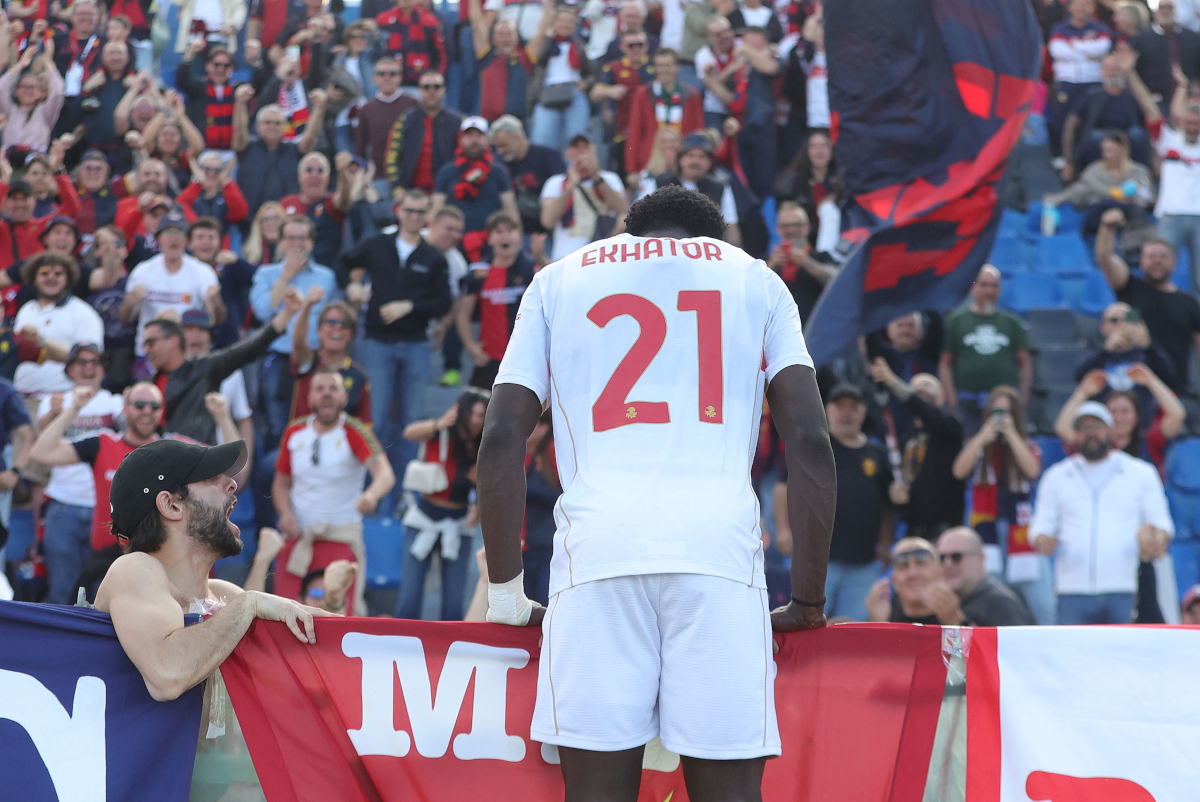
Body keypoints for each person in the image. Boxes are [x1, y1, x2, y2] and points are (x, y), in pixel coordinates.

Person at [476, 184, 835, 802]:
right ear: (712, 242)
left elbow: (502, 437)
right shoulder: (755, 279)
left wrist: (507, 591)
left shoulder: (557, 280)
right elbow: (809, 444)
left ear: (628, 232)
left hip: (596, 555)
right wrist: (806, 599)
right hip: (718, 557)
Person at [93, 437, 331, 702]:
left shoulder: (223, 594)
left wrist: (333, 601)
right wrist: (248, 604)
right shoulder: (133, 569)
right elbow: (167, 674)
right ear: (171, 505)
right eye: (210, 477)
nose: (232, 483)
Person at [339, 188, 451, 515]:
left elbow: (444, 302)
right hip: (378, 342)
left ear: (427, 215)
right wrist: (352, 286)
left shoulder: (433, 257)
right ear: (398, 211)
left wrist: (411, 306)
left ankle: (405, 497)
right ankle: (371, 494)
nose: (414, 217)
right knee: (375, 423)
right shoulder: (378, 245)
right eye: (410, 210)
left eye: (421, 212)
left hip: (415, 343)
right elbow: (344, 262)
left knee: (410, 423)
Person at [1030, 401, 1174, 625]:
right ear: (1076, 435)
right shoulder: (1056, 476)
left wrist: (1157, 538)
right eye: (1084, 429)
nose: (1091, 434)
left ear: (1110, 430)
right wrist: (1042, 539)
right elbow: (1041, 524)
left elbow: (1162, 522)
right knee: (1072, 656)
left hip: (1122, 586)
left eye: (1096, 427)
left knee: (1121, 655)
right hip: (1071, 588)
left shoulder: (1139, 473)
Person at [274, 367, 394, 617]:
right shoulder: (294, 432)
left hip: (340, 538)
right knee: (283, 614)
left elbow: (385, 475)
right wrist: (285, 513)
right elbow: (281, 483)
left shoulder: (355, 430)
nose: (326, 395)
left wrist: (370, 496)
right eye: (320, 389)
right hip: (300, 539)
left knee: (339, 619)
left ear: (344, 397)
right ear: (309, 398)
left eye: (333, 389)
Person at [141, 289, 304, 445]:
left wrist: (287, 313)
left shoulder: (204, 369)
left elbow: (250, 348)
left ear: (174, 340)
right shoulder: (148, 384)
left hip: (197, 463)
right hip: (161, 465)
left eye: (151, 342)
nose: (146, 350)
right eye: (145, 344)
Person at [29, 381, 161, 566]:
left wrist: (219, 417)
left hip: (152, 559)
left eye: (154, 406)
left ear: (161, 412)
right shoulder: (103, 443)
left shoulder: (172, 451)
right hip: (104, 560)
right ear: (125, 409)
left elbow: (216, 466)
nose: (147, 411)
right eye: (139, 405)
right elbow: (41, 452)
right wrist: (74, 408)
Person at [952, 385, 1053, 625]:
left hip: (1021, 534)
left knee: (1043, 604)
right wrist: (983, 436)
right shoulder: (978, 447)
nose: (1000, 418)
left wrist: (1011, 434)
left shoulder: (1028, 446)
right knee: (994, 597)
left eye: (1006, 413)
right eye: (995, 412)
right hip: (987, 535)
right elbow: (959, 471)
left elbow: (1031, 470)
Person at [33, 343, 124, 605]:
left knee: (103, 596)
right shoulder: (54, 401)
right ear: (69, 369)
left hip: (106, 510)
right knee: (62, 590)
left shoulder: (116, 402)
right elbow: (41, 441)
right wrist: (54, 412)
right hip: (64, 503)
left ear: (103, 369)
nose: (88, 367)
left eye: (95, 362)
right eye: (81, 362)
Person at [396, 390, 490, 621]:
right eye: (473, 414)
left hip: (458, 523)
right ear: (462, 412)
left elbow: (491, 485)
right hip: (424, 519)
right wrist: (438, 423)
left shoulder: (484, 444)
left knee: (453, 601)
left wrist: (478, 489)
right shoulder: (441, 432)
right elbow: (408, 432)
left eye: (482, 415)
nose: (477, 420)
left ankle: (451, 651)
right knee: (409, 595)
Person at [249, 214, 339, 447]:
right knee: (277, 424)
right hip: (277, 359)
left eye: (302, 238)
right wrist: (287, 274)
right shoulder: (266, 273)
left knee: (313, 421)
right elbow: (262, 312)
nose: (296, 244)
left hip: (314, 360)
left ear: (311, 241)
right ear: (280, 241)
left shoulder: (326, 277)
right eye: (290, 238)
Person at [1096, 207, 1200, 384]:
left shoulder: (1188, 302)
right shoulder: (1130, 287)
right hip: (1133, 389)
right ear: (1142, 262)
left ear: (1173, 263)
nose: (1157, 260)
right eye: (1151, 256)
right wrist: (1107, 227)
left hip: (1174, 390)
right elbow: (1105, 259)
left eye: (1163, 256)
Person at [869, 361, 965, 542]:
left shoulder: (950, 427)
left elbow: (923, 409)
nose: (921, 389)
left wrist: (893, 381)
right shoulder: (906, 437)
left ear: (942, 397)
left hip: (944, 530)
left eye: (927, 385)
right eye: (915, 387)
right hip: (912, 530)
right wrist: (894, 495)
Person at [939, 265, 1032, 436]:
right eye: (984, 285)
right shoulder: (956, 321)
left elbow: (1024, 364)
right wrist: (952, 400)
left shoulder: (1012, 323)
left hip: (1005, 406)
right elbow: (945, 364)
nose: (989, 291)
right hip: (967, 405)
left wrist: (1022, 399)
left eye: (994, 286)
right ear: (973, 287)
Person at [119, 211, 226, 360]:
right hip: (148, 354)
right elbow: (125, 318)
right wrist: (131, 301)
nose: (174, 238)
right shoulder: (143, 270)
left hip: (186, 355)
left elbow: (218, 319)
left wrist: (214, 300)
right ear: (159, 238)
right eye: (168, 232)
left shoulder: (202, 272)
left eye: (180, 232)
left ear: (187, 240)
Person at [1131, 64, 1200, 289]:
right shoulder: (1167, 140)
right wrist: (1130, 72)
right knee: (1158, 274)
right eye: (1189, 122)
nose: (1192, 127)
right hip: (1170, 214)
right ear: (1181, 122)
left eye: (1196, 123)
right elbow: (1149, 107)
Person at [454, 212, 535, 388]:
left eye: (510, 230)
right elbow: (462, 314)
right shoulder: (478, 273)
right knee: (476, 409)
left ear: (519, 236)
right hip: (490, 357)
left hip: (525, 358)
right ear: (489, 239)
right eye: (498, 232)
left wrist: (541, 255)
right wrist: (471, 346)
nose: (505, 236)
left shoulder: (532, 269)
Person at [1056, 365, 1186, 472]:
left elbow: (1177, 415)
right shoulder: (1094, 443)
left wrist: (1150, 380)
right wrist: (1083, 392)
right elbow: (1062, 428)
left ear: (1136, 417)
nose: (1119, 418)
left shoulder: (1149, 442)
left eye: (1125, 411)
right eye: (1113, 411)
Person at [13, 253, 104, 396]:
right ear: (34, 279)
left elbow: (89, 361)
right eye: (44, 273)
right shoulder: (26, 309)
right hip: (20, 397)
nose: (51, 278)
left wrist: (41, 340)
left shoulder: (84, 313)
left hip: (63, 398)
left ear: (67, 279)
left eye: (58, 273)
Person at [640, 131, 740, 245]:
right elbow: (640, 218)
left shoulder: (719, 187)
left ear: (710, 162)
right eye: (690, 156)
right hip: (665, 247)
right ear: (681, 159)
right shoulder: (659, 183)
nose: (695, 161)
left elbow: (731, 227)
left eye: (702, 157)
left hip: (706, 251)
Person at [540, 134, 629, 262]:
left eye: (585, 148)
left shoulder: (609, 178)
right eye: (576, 148)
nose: (581, 153)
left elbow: (623, 209)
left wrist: (596, 178)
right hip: (566, 256)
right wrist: (569, 187)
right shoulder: (556, 182)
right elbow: (547, 221)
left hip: (602, 255)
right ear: (567, 154)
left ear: (594, 151)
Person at [1061, 52, 1151, 175]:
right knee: (1095, 137)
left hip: (1127, 138)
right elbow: (1071, 124)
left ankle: (1139, 176)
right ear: (1102, 71)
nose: (1113, 73)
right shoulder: (1091, 95)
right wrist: (1068, 160)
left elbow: (1149, 118)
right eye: (1110, 69)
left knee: (1137, 134)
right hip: (1097, 138)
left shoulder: (1132, 97)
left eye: (1117, 69)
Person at [1047, 0, 1113, 167]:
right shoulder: (1060, 28)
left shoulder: (1100, 28)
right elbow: (1057, 51)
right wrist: (1088, 51)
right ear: (1070, 7)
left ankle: (1091, 157)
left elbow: (1103, 48)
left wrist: (1074, 46)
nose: (1082, 8)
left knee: (1091, 120)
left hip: (1094, 81)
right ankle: (1061, 157)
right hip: (1068, 81)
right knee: (1062, 120)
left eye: (1086, 4)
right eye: (1078, 4)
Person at [180, 310, 256, 455]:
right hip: (179, 455)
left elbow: (243, 419)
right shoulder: (167, 371)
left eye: (202, 330)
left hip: (221, 458)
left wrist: (246, 464)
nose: (195, 336)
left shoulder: (231, 372)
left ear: (211, 337)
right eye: (189, 330)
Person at [431, 116, 519, 236]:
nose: (474, 140)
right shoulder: (447, 172)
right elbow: (436, 211)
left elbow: (510, 211)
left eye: (479, 135)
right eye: (469, 135)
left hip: (490, 239)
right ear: (460, 139)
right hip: (453, 237)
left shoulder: (499, 172)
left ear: (488, 139)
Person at [623, 47, 704, 178]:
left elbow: (697, 131)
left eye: (667, 65)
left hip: (682, 163)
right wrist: (632, 169)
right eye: (659, 66)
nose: (663, 70)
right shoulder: (643, 94)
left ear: (677, 67)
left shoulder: (691, 95)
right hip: (650, 163)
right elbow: (635, 132)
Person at [290, 294, 371, 422]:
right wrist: (307, 306)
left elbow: (364, 425)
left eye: (345, 324)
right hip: (303, 438)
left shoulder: (359, 376)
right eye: (331, 322)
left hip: (341, 440)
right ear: (320, 330)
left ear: (351, 334)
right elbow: (298, 342)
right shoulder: (309, 361)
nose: (337, 327)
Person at [232, 94, 310, 221]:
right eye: (267, 122)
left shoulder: (294, 150)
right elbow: (240, 131)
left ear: (284, 127)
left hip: (288, 219)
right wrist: (240, 104)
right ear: (258, 126)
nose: (272, 127)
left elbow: (310, 138)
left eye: (277, 123)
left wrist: (319, 109)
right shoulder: (247, 148)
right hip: (249, 220)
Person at [383, 70, 462, 193]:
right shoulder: (405, 120)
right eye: (426, 87)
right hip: (410, 192)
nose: (431, 91)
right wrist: (397, 189)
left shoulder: (458, 122)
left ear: (444, 89)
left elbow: (463, 158)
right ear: (419, 90)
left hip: (447, 193)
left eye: (436, 87)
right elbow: (391, 157)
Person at [526, 2, 591, 152]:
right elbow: (536, 60)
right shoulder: (544, 43)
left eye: (570, 21)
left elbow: (590, 73)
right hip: (547, 93)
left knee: (576, 143)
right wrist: (548, 37)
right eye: (561, 20)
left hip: (573, 92)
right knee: (541, 143)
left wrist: (585, 83)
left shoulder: (578, 45)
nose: (565, 24)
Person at [1074, 301, 1178, 394]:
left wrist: (1148, 347)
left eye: (1128, 319)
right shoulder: (1095, 352)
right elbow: (1079, 377)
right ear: (1103, 327)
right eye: (1114, 320)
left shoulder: (1147, 354)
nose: (1121, 325)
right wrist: (1106, 351)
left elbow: (1169, 379)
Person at [591, 29, 655, 176]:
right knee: (625, 172)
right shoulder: (614, 68)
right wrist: (610, 91)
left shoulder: (655, 66)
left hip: (651, 130)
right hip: (625, 131)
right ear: (622, 47)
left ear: (646, 45)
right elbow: (594, 94)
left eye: (640, 44)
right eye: (631, 45)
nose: (636, 49)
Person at [186, 215, 255, 349]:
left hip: (227, 342)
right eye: (200, 237)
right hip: (191, 342)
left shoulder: (229, 266)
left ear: (218, 242)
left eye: (211, 237)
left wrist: (237, 262)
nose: (206, 242)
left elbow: (258, 278)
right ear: (190, 243)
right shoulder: (182, 268)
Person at [488, 116, 565, 237]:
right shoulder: (501, 164)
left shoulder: (547, 156)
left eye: (504, 145)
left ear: (518, 137)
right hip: (518, 230)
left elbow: (563, 188)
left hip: (549, 229)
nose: (500, 151)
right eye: (497, 147)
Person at [865, 538, 970, 625]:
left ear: (941, 573)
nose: (912, 573)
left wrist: (954, 622)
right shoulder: (883, 618)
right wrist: (878, 625)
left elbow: (976, 649)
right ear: (894, 580)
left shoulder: (971, 612)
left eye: (921, 563)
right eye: (903, 566)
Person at [279, 150, 352, 271]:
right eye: (309, 170)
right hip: (286, 270)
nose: (314, 175)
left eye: (320, 171)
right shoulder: (286, 203)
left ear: (328, 178)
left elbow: (344, 200)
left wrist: (343, 172)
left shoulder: (331, 203)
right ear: (299, 176)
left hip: (325, 271)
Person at [766, 202, 837, 322]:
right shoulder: (764, 262)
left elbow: (838, 280)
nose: (792, 230)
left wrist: (807, 263)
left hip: (813, 331)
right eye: (786, 226)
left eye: (797, 225)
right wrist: (770, 266)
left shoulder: (821, 257)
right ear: (777, 229)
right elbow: (748, 289)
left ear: (807, 227)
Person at [1130, 0, 1200, 114]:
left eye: (1169, 7)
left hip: (1189, 101)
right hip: (1154, 101)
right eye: (1161, 7)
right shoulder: (1142, 39)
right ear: (1155, 11)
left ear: (1175, 10)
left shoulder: (1192, 38)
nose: (1165, 11)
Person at [354, 56, 418, 179]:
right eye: (382, 74)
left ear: (400, 77)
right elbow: (360, 148)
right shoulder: (366, 109)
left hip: (410, 177)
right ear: (375, 78)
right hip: (379, 178)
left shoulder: (413, 104)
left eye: (392, 74)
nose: (387, 77)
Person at [468, 11, 535, 125]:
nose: (505, 38)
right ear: (494, 38)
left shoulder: (525, 58)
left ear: (516, 38)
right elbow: (477, 24)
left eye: (509, 34)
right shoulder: (486, 57)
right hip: (489, 122)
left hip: (518, 124)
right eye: (501, 34)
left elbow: (543, 29)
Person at [0, 37, 64, 153]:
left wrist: (48, 61)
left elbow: (58, 91)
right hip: (10, 161)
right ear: (16, 91)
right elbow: (1, 88)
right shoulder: (9, 110)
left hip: (35, 163)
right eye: (24, 86)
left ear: (40, 93)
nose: (28, 91)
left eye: (33, 87)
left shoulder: (45, 112)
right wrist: (21, 63)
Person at [174, 45, 240, 152]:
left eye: (226, 66)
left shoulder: (238, 90)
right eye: (216, 65)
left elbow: (259, 86)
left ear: (231, 68)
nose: (221, 69)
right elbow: (181, 80)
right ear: (208, 66)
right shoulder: (199, 87)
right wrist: (189, 54)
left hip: (231, 151)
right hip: (203, 149)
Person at [374, 0, 446, 91]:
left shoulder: (429, 21)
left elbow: (440, 56)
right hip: (388, 87)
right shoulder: (383, 20)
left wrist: (434, 80)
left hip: (420, 87)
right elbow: (374, 55)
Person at [177, 152, 250, 237]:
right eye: (207, 169)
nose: (211, 173)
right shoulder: (193, 195)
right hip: (194, 243)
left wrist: (227, 183)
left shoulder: (226, 196)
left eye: (217, 170)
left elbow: (240, 213)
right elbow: (178, 206)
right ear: (199, 170)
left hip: (220, 245)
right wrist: (197, 184)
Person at [694, 15, 736, 130]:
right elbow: (713, 86)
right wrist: (733, 68)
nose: (725, 36)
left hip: (744, 105)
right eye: (718, 34)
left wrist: (716, 78)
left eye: (727, 31)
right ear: (710, 37)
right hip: (715, 107)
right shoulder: (703, 55)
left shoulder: (741, 46)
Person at [242, 201, 286, 267]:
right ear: (259, 225)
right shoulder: (247, 253)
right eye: (266, 219)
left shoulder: (291, 252)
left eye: (276, 218)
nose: (271, 223)